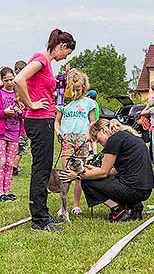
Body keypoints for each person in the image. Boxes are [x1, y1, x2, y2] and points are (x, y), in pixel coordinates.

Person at [14, 28, 76, 232]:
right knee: (41, 169)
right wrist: (30, 103)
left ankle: (42, 213)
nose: (64, 58)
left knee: (44, 167)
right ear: (61, 46)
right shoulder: (41, 58)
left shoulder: (46, 62)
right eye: (66, 53)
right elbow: (18, 79)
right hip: (39, 120)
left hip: (44, 120)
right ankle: (39, 220)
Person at [59, 119, 154, 222]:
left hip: (132, 189)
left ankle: (118, 211)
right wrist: (97, 170)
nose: (98, 142)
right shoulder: (128, 136)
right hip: (145, 189)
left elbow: (103, 173)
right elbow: (120, 171)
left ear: (103, 130)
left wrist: (77, 176)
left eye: (97, 138)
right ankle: (133, 205)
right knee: (99, 177)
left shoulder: (113, 140)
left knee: (87, 181)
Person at [55, 69, 96, 215]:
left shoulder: (89, 103)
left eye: (79, 89)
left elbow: (92, 121)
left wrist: (88, 134)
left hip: (81, 139)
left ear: (84, 87)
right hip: (67, 138)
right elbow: (57, 121)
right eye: (73, 89)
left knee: (78, 174)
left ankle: (76, 205)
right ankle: (63, 207)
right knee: (65, 174)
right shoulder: (63, 103)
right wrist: (58, 131)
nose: (76, 92)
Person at [0, 67, 25, 202]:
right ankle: (0, 192)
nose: (9, 82)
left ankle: (7, 190)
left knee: (10, 163)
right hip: (2, 133)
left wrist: (21, 113)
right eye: (6, 80)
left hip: (14, 133)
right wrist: (4, 112)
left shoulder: (18, 94)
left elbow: (26, 111)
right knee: (1, 162)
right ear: (2, 80)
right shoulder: (0, 93)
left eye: (11, 79)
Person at [12, 60, 28, 176]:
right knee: (21, 148)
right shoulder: (25, 88)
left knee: (14, 146)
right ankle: (14, 167)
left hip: (12, 125)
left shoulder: (10, 88)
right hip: (22, 126)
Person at [87, 89, 99, 155]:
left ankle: (90, 150)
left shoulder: (91, 103)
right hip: (96, 123)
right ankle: (95, 153)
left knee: (88, 137)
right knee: (94, 139)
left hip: (91, 123)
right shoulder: (96, 103)